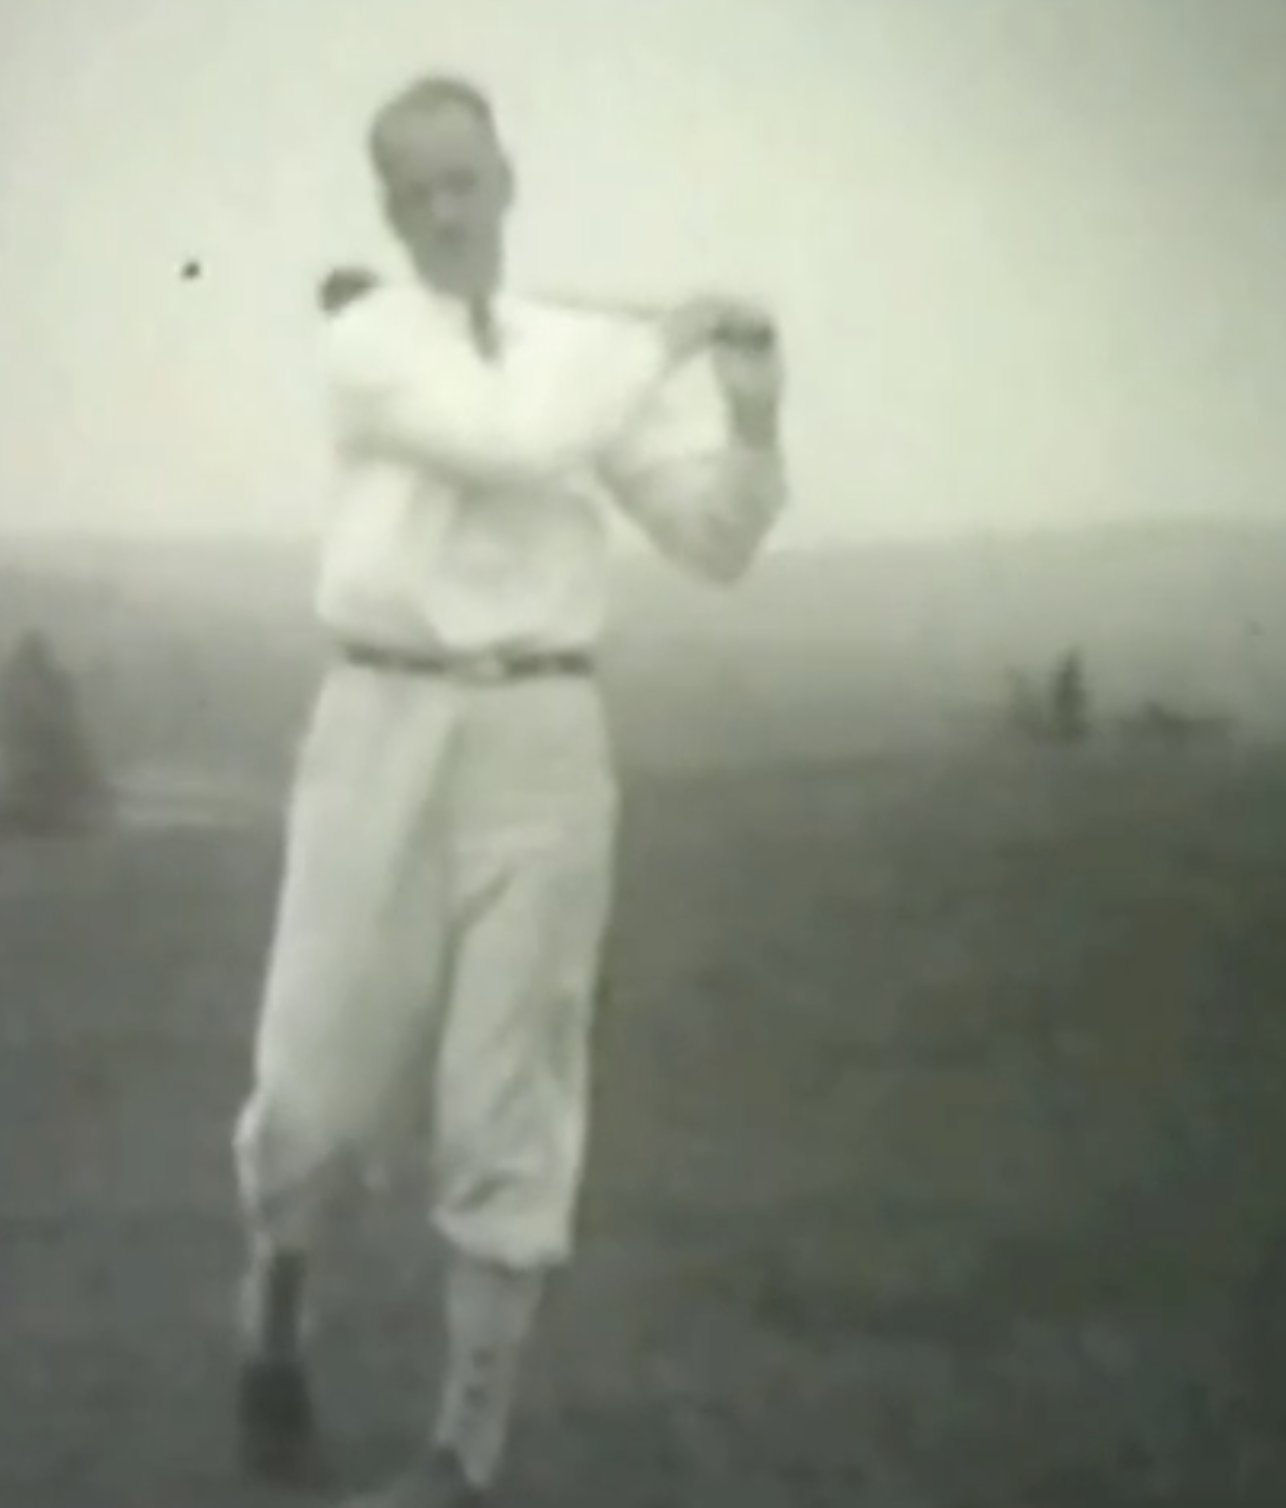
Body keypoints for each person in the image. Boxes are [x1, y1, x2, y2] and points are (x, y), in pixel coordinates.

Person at [231, 72, 791, 1508]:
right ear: (387, 209)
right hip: (380, 716)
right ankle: (274, 1299)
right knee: (310, 1093)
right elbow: (513, 440)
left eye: (464, 181)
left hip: (543, 736)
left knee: (511, 1097)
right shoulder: (370, 337)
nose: (444, 212)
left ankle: (461, 1460)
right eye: (415, 189)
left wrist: (750, 423)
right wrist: (663, 334)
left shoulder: (574, 355)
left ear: (505, 181)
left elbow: (711, 543)